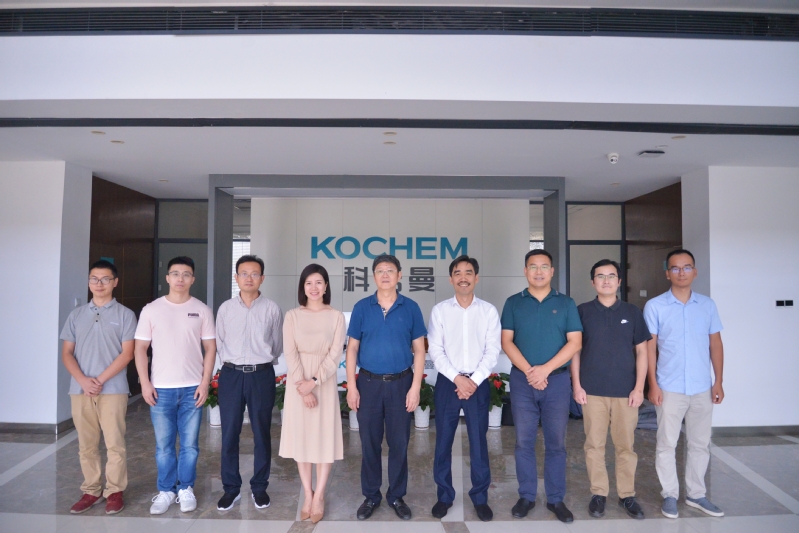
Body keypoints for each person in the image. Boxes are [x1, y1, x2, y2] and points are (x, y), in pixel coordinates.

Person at [500, 249, 582, 523]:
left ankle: (556, 499)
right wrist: (530, 372)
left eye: (544, 266)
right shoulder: (513, 302)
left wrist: (545, 370)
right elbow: (506, 341)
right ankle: (526, 496)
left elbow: (575, 342)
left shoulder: (566, 303)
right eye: (533, 266)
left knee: (556, 442)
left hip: (557, 381)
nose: (538, 271)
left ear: (552, 271)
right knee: (523, 441)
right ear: (525, 271)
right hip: (523, 381)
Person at [644, 249, 725, 519]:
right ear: (667, 273)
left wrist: (718, 381)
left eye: (687, 267)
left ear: (695, 272)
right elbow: (650, 348)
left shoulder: (707, 305)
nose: (681, 273)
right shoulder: (655, 306)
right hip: (669, 386)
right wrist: (653, 384)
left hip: (702, 386)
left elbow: (715, 344)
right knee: (666, 443)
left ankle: (696, 494)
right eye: (676, 268)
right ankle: (669, 494)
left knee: (700, 443)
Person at [346, 254, 427, 521]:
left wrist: (415, 387)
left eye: (390, 270)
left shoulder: (411, 307)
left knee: (399, 443)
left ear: (399, 275)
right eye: (380, 270)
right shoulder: (362, 307)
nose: (385, 275)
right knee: (369, 443)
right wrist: (352, 387)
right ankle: (371, 496)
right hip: (368, 384)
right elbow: (352, 348)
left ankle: (396, 496)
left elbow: (419, 350)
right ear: (373, 276)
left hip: (401, 384)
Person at [134, 256, 216, 515]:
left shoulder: (202, 310)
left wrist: (205, 382)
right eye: (176, 273)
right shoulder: (151, 310)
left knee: (190, 446)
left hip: (193, 388)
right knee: (164, 446)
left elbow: (210, 348)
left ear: (193, 279)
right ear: (168, 278)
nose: (181, 278)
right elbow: (140, 348)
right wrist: (145, 383)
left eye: (186, 274)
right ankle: (166, 490)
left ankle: (185, 489)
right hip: (161, 389)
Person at [571, 259, 650, 520]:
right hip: (592, 391)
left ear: (619, 281)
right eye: (600, 276)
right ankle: (599, 493)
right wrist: (577, 385)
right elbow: (575, 351)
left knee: (625, 446)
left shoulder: (632, 312)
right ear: (592, 282)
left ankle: (627, 494)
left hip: (626, 392)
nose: (606, 281)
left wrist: (639, 388)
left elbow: (642, 352)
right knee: (594, 445)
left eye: (611, 276)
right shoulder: (582, 311)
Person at [60, 259, 137, 515]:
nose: (99, 283)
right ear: (89, 282)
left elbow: (127, 354)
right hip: (80, 389)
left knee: (115, 443)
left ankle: (114, 491)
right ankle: (91, 490)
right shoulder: (76, 315)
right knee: (86, 444)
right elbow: (67, 353)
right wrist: (83, 380)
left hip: (113, 389)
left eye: (105, 279)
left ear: (115, 282)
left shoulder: (125, 315)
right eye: (94, 278)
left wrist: (100, 380)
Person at [427, 255, 500, 522]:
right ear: (451, 279)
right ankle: (444, 496)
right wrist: (458, 379)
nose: (463, 277)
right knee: (443, 442)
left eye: (468, 272)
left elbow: (492, 350)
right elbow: (436, 350)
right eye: (457, 273)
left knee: (479, 443)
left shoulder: (488, 311)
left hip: (477, 384)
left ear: (476, 278)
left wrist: (473, 380)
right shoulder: (440, 311)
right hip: (448, 383)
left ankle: (480, 498)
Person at [215, 255, 283, 511]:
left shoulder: (272, 309)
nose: (249, 278)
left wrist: (259, 361)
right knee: (229, 433)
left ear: (262, 278)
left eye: (254, 274)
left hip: (261, 375)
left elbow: (277, 345)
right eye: (244, 273)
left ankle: (259, 487)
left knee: (262, 433)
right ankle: (231, 489)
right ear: (236, 277)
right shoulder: (225, 309)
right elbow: (219, 342)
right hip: (231, 375)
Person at [279, 263, 346, 523]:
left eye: (319, 282)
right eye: (309, 283)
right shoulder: (292, 316)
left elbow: (335, 354)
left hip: (324, 383)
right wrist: (303, 386)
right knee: (303, 439)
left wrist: (315, 382)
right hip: (298, 383)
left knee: (323, 438)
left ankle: (319, 495)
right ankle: (307, 493)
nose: (314, 287)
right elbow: (290, 352)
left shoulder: (336, 316)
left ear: (326, 286)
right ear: (303, 287)